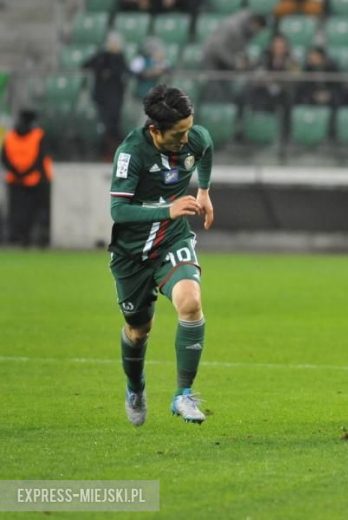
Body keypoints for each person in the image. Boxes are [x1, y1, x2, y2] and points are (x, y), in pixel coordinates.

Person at [109, 84, 214, 426]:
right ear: (155, 130)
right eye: (178, 133)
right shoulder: (131, 154)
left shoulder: (193, 138)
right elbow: (118, 211)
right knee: (139, 330)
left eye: (188, 129)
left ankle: (183, 394)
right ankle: (135, 387)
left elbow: (206, 147)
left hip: (172, 240)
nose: (186, 139)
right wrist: (169, 209)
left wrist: (204, 191)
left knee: (191, 303)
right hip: (131, 254)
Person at [1, 109, 53, 247]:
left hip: (16, 181)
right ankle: (39, 239)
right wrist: (25, 173)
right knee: (37, 212)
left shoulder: (10, 136)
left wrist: (17, 173)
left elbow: (4, 158)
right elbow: (40, 159)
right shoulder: (38, 135)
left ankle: (21, 238)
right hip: (36, 181)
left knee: (19, 213)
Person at [83, 31, 130, 160]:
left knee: (113, 124)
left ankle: (116, 152)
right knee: (103, 124)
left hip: (115, 97)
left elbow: (125, 71)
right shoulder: (101, 56)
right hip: (101, 96)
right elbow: (86, 65)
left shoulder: (120, 58)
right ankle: (104, 151)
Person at [202, 10, 267, 102]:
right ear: (254, 23)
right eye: (258, 29)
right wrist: (234, 63)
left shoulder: (247, 30)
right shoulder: (232, 26)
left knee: (227, 88)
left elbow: (243, 46)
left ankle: (226, 106)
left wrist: (247, 61)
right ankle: (214, 107)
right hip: (212, 56)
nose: (257, 32)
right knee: (216, 88)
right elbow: (218, 47)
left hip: (225, 59)